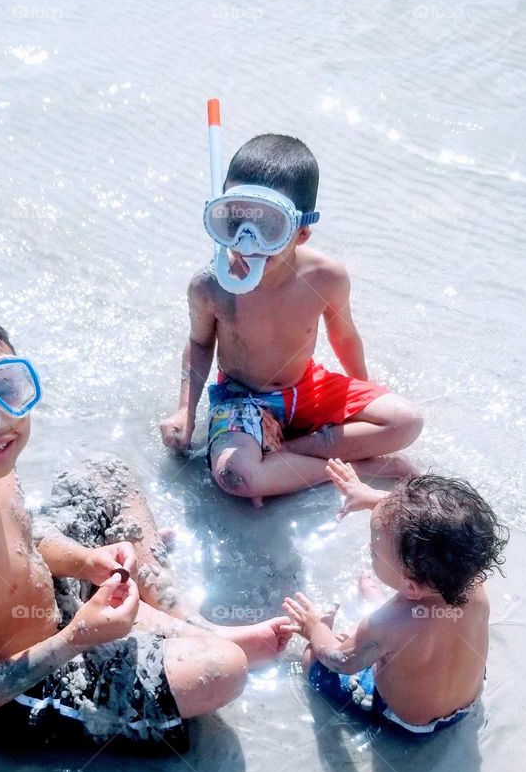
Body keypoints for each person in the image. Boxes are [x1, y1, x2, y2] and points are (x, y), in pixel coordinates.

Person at [0, 298, 292, 748]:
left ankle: (189, 621)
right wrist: (77, 638)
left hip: (49, 606)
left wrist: (85, 560)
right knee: (224, 669)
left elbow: (18, 536)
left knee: (104, 473)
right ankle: (161, 632)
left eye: (5, 388)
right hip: (19, 690)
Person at [160, 133, 423, 507]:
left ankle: (290, 452)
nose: (247, 241)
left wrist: (363, 386)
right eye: (236, 221)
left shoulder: (325, 276)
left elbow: (344, 335)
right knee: (237, 477)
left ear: (300, 232)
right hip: (242, 399)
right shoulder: (211, 286)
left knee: (406, 421)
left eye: (268, 228)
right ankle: (357, 467)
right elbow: (200, 343)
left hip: (307, 388)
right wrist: (185, 410)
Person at [283, 460, 508, 734]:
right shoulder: (474, 584)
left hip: (408, 723)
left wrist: (315, 629)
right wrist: (371, 498)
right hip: (467, 702)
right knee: (406, 628)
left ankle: (356, 625)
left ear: (411, 588)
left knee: (313, 660)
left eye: (374, 553)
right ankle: (380, 615)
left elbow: (341, 661)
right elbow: (434, 530)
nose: (372, 553)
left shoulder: (386, 625)